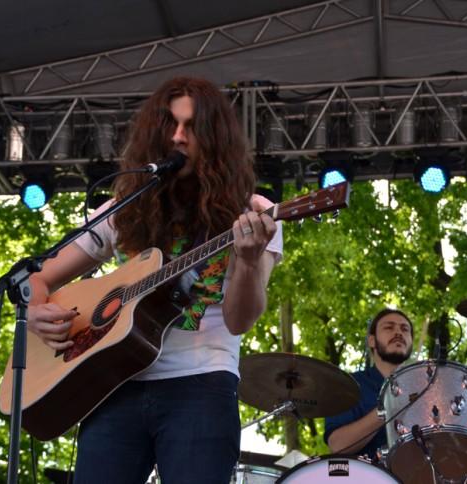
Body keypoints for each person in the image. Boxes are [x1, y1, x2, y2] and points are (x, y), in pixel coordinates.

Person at [27, 77, 283, 483]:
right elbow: (40, 278)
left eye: (192, 127)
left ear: (214, 137)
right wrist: (36, 308)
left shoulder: (254, 213)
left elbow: (240, 321)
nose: (178, 137)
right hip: (112, 385)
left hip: (201, 385)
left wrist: (249, 262)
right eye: (170, 124)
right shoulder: (123, 210)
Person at [324, 308, 414, 461]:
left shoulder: (425, 388)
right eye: (389, 327)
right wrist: (389, 407)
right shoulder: (347, 385)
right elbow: (338, 445)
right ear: (371, 341)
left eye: (405, 329)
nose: (398, 332)